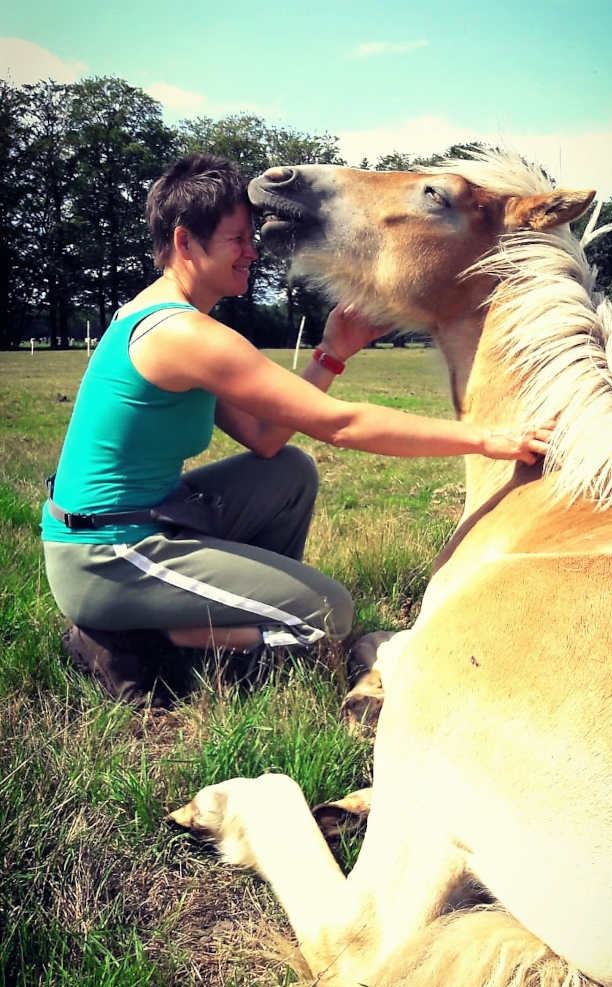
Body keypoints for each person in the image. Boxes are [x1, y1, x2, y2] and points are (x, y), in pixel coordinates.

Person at [41, 153, 551, 705]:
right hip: (108, 556)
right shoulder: (182, 336)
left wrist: (332, 353)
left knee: (287, 472)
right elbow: (342, 424)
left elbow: (265, 437)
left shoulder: (163, 319)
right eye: (237, 240)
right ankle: (133, 642)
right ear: (186, 243)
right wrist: (488, 439)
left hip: (140, 524)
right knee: (329, 616)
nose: (252, 252)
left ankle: (240, 605)